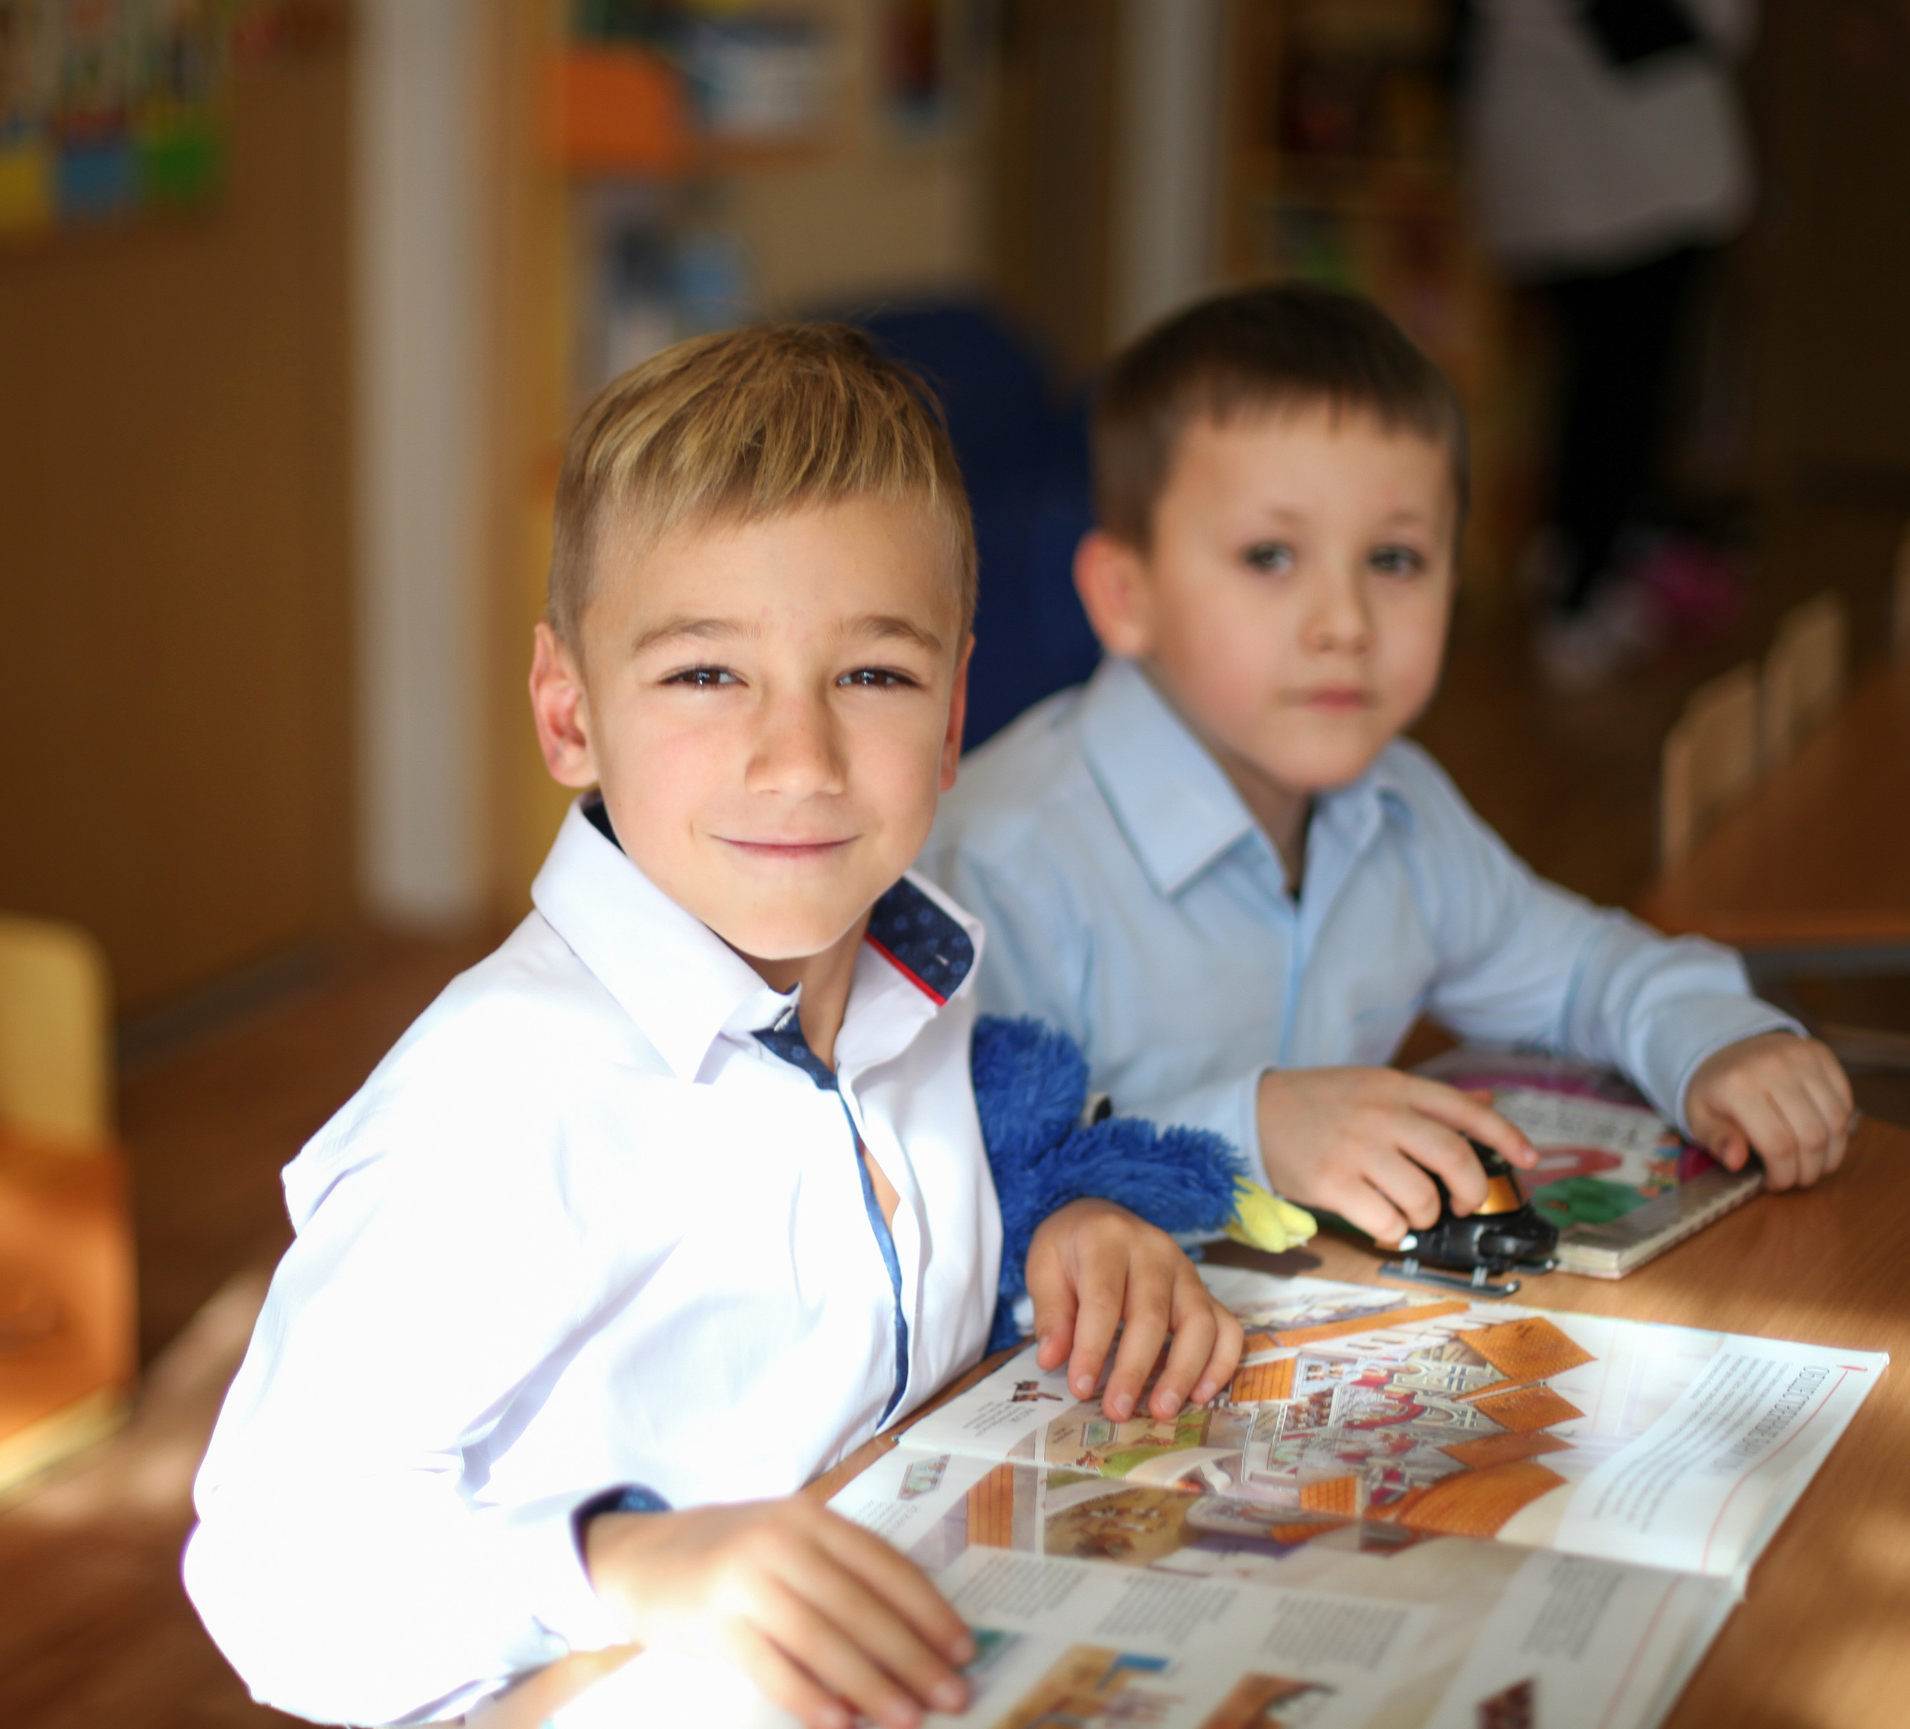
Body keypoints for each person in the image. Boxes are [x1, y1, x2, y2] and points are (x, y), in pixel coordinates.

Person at [183, 325, 1242, 1729]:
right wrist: (627, 1559)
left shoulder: (913, 985)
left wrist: (1061, 1225)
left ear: (951, 719)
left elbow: (899, 1278)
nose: (796, 757)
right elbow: (267, 1562)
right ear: (570, 711)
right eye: (703, 675)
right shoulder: (501, 1096)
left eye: (870, 675)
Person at [922, 283, 1854, 1252]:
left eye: (1396, 560)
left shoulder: (1399, 809)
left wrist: (1716, 1040)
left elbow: (1582, 970)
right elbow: (964, 1181)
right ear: (1126, 594)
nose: (1345, 624)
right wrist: (1252, 1133)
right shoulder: (997, 863)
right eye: (1271, 554)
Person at [1459, 0, 1761, 686]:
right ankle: (1582, 590)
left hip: (1566, 167)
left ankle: (1583, 556)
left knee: (1599, 383)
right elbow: (1711, 23)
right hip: (1630, 177)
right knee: (1622, 387)